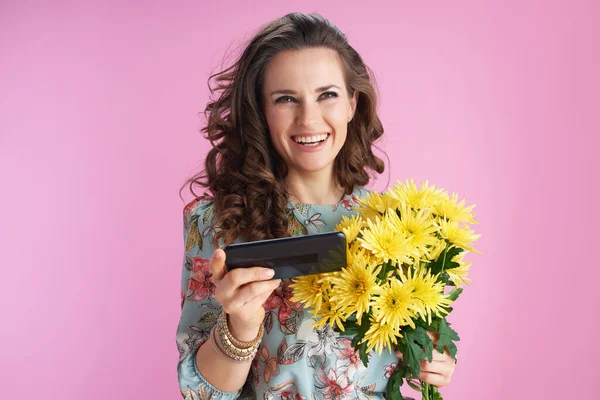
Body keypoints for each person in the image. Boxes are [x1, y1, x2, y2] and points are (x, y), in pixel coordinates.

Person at [176, 12, 456, 399]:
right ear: (262, 112)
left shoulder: (396, 226)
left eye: (327, 95)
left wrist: (435, 361)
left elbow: (415, 351)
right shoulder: (217, 224)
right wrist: (240, 326)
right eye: (286, 99)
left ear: (352, 104)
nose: (309, 118)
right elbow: (202, 393)